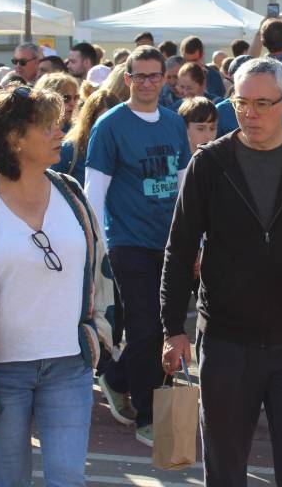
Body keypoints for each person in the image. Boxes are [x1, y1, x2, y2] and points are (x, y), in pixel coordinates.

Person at [161, 57, 282, 487]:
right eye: (242, 102)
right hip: (227, 340)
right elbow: (179, 248)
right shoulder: (210, 163)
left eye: (263, 103)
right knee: (225, 466)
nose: (250, 113)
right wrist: (173, 328)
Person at [0, 86, 117, 487]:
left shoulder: (72, 193)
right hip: (1, 371)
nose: (60, 134)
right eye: (48, 126)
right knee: (10, 480)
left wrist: (98, 334)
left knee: (67, 479)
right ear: (14, 138)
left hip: (70, 364)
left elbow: (101, 268)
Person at [84, 46, 191, 445]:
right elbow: (95, 191)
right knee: (149, 328)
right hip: (127, 243)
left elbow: (183, 182)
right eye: (138, 76)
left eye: (154, 76)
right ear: (126, 79)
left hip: (170, 244)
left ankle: (116, 376)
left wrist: (193, 238)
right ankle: (149, 415)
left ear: (164, 79)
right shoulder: (110, 126)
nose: (146, 83)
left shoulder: (173, 123)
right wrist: (96, 247)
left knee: (165, 326)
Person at [181, 35, 227, 99]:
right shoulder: (175, 77)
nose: (190, 64)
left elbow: (220, 103)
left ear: (202, 55)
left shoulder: (214, 77)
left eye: (194, 60)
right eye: (186, 61)